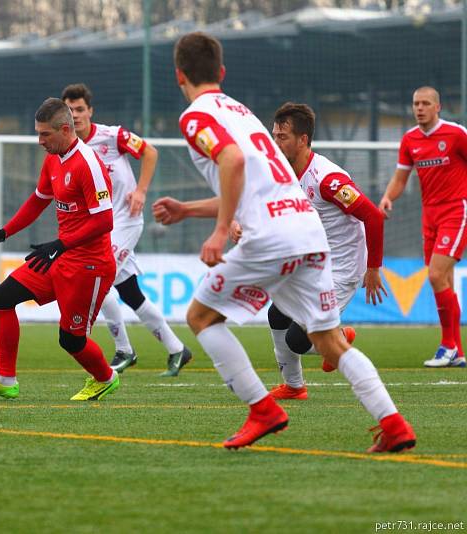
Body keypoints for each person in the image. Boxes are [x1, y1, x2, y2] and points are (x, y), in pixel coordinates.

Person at [151, 31, 415, 452]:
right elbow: (253, 183)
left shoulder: (197, 116)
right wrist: (188, 209)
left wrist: (220, 231)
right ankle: (395, 425)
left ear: (178, 75)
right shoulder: (242, 112)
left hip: (272, 236)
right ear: (221, 72)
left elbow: (233, 162)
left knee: (201, 317)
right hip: (307, 231)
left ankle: (263, 410)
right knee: (330, 341)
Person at [0, 97, 120, 401]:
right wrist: (4, 232)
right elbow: (39, 200)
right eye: (38, 133)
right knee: (1, 298)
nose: (40, 141)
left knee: (71, 340)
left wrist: (61, 244)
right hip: (60, 256)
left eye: (45, 134)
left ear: (65, 129)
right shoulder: (53, 158)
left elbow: (105, 220)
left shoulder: (88, 164)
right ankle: (5, 379)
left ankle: (106, 377)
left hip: (89, 265)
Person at [61, 83, 192, 376]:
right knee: (130, 293)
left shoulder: (113, 135)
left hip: (127, 220)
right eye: (69, 110)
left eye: (80, 109)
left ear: (90, 111)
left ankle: (124, 350)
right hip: (101, 229)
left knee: (98, 278)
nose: (76, 115)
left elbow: (150, 152)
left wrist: (141, 191)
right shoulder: (69, 151)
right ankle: (177, 349)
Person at [265, 102, 388, 400]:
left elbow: (372, 216)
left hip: (342, 270)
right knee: (276, 315)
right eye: (274, 135)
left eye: (282, 136)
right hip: (312, 263)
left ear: (303, 140)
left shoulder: (328, 181)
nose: (275, 142)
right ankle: (294, 387)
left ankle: (339, 337)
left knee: (297, 339)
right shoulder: (282, 172)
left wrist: (373, 268)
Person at [380, 86, 467, 368]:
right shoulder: (410, 140)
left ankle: (448, 346)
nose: (419, 108)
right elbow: (400, 178)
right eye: (416, 103)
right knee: (444, 281)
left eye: (425, 103)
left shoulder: (455, 134)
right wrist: (386, 197)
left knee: (435, 274)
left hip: (456, 210)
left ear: (438, 107)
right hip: (428, 215)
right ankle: (458, 352)